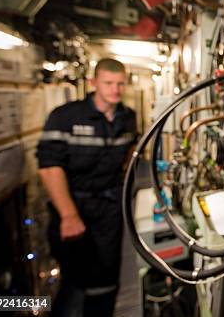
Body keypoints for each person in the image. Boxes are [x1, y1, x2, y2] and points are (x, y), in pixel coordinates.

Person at [36, 58, 137, 316]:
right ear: (93, 83)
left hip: (109, 209)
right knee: (75, 280)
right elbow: (49, 167)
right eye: (108, 83)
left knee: (107, 276)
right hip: (74, 206)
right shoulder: (65, 117)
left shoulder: (128, 118)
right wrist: (69, 215)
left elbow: (129, 154)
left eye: (120, 84)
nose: (115, 89)